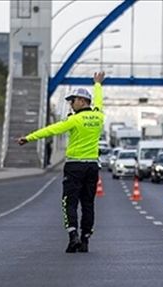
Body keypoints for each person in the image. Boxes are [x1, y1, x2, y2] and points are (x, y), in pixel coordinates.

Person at [18, 71, 106, 253]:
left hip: (75, 166)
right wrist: (97, 84)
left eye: (72, 100)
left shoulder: (74, 120)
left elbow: (51, 130)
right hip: (92, 166)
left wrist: (29, 138)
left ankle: (73, 235)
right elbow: (99, 101)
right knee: (88, 203)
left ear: (82, 101)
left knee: (70, 202)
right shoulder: (99, 116)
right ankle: (85, 239)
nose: (71, 104)